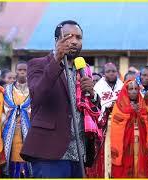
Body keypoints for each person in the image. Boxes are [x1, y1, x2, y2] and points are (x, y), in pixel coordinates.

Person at [20, 20, 98, 178]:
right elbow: (37, 95)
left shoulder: (84, 69)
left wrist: (93, 94)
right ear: (57, 41)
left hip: (79, 152)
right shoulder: (38, 64)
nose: (75, 41)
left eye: (78, 37)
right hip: (50, 152)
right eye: (69, 37)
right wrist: (56, 59)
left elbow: (93, 108)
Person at [110, 79, 148, 178]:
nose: (133, 91)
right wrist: (131, 112)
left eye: (136, 89)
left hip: (140, 143)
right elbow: (116, 124)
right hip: (125, 144)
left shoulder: (143, 104)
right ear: (125, 90)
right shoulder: (119, 105)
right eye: (130, 89)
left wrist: (139, 114)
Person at [93, 62, 123, 178]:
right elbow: (95, 108)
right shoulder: (97, 88)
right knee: (104, 156)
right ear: (104, 74)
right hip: (103, 128)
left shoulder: (122, 86)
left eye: (113, 71)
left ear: (117, 72)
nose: (111, 74)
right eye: (108, 72)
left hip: (119, 126)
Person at [2, 61, 32, 177]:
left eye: (25, 70)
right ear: (16, 71)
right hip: (11, 131)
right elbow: (4, 108)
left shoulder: (34, 89)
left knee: (27, 158)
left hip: (29, 131)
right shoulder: (7, 90)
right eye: (20, 70)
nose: (22, 72)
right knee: (12, 157)